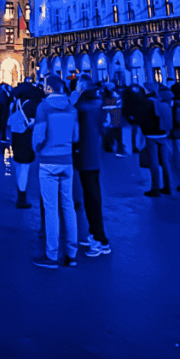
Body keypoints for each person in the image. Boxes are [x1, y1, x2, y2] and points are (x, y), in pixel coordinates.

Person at [31, 74, 79, 268]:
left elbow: (38, 136)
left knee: (51, 208)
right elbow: (75, 136)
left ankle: (51, 255)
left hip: (48, 162)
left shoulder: (43, 108)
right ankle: (72, 253)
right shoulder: (71, 108)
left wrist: (39, 149)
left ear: (49, 89)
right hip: (67, 161)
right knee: (68, 207)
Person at [72, 77, 111, 256]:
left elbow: (74, 131)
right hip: (95, 153)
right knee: (93, 195)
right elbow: (114, 122)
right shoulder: (101, 103)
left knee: (91, 197)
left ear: (82, 88)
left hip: (83, 154)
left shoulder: (80, 105)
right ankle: (96, 234)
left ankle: (100, 239)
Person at [6, 85, 40, 208]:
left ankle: (20, 189)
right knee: (25, 167)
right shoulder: (31, 104)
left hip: (16, 137)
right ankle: (22, 196)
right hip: (27, 138)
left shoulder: (17, 102)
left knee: (20, 166)